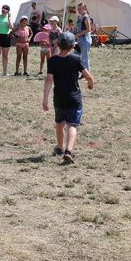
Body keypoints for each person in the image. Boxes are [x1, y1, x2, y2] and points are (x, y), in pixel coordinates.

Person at [42, 31, 95, 165]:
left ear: (58, 44)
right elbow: (88, 76)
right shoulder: (76, 59)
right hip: (74, 98)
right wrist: (90, 84)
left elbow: (49, 80)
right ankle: (68, 151)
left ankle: (59, 147)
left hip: (59, 98)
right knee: (72, 125)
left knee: (59, 123)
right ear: (73, 46)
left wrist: (45, 99)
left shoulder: (52, 61)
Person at [75, 3, 94, 71]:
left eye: (80, 9)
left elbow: (89, 29)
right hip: (79, 40)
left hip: (85, 39)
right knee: (76, 55)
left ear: (85, 9)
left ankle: (87, 73)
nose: (78, 10)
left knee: (85, 57)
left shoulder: (86, 17)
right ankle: (78, 71)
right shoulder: (79, 17)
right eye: (78, 9)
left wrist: (78, 35)